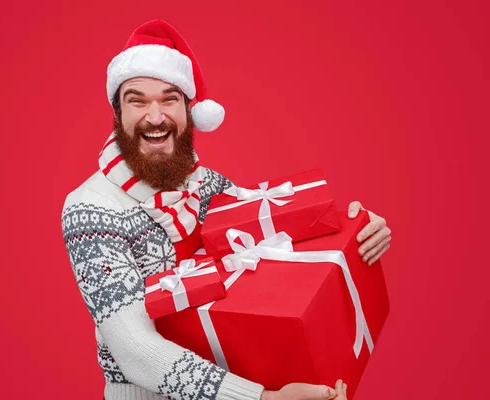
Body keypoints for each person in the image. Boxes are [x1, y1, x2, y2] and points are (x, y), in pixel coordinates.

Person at [61, 19, 391, 400]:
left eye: (169, 99)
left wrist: (352, 231)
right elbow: (135, 350)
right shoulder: (91, 208)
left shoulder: (210, 186)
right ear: (118, 113)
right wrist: (260, 399)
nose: (155, 117)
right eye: (137, 100)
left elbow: (279, 246)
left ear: (188, 111)